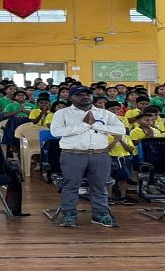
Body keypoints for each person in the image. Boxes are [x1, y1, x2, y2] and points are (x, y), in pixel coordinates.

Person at [49, 85, 125, 228]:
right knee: (71, 185)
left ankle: (100, 214)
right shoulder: (62, 113)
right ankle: (69, 214)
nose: (85, 96)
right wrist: (84, 125)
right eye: (80, 94)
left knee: (100, 186)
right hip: (73, 154)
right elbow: (56, 132)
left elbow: (120, 129)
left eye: (87, 94)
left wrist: (96, 126)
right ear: (71, 98)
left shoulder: (104, 113)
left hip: (100, 154)